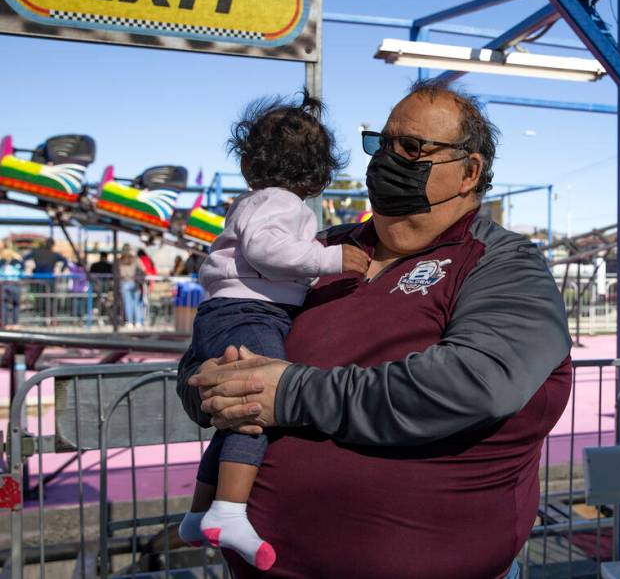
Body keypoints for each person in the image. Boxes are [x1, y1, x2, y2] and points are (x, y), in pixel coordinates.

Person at [177, 80, 572, 579]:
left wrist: (289, 392)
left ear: (469, 172)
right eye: (381, 144)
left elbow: (473, 383)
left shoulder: (504, 265)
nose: (386, 160)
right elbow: (216, 336)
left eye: (411, 148)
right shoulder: (319, 249)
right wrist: (211, 387)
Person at [176, 91, 370, 570]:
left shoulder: (258, 199)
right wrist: (329, 260)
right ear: (317, 170)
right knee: (255, 404)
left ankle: (200, 511)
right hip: (251, 312)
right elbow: (265, 250)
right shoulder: (281, 204)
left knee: (230, 421)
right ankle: (230, 511)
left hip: (233, 312)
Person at [117, 244, 145, 327]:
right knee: (137, 303)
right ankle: (138, 321)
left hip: (125, 282)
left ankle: (129, 322)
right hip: (135, 282)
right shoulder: (135, 259)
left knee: (128, 304)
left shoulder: (120, 260)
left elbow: (120, 273)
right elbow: (143, 269)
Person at [0, 245, 23, 326]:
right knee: (16, 304)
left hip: (4, 284)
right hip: (15, 284)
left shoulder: (1, 261)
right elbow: (22, 273)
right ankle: (15, 323)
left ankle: (4, 323)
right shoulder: (17, 261)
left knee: (4, 305)